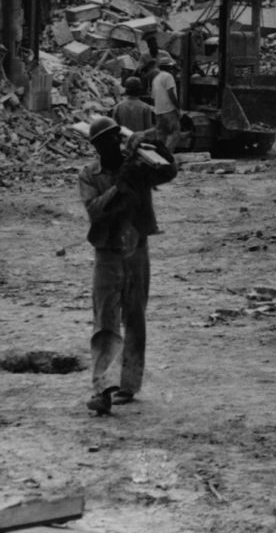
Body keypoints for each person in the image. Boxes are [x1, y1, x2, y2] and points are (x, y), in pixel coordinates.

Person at [78, 113, 177, 416]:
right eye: (103, 142)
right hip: (107, 250)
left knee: (135, 315)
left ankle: (128, 384)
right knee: (105, 318)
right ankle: (102, 388)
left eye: (113, 138)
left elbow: (169, 172)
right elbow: (95, 210)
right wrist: (119, 187)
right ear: (96, 145)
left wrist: (158, 146)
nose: (110, 145)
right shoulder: (89, 174)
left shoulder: (137, 164)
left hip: (136, 245)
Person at [150, 55, 181, 149]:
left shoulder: (156, 79)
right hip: (169, 110)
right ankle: (168, 154)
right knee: (175, 132)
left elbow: (153, 97)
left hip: (158, 111)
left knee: (161, 135)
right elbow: (171, 93)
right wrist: (178, 107)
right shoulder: (168, 76)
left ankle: (161, 155)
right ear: (170, 67)